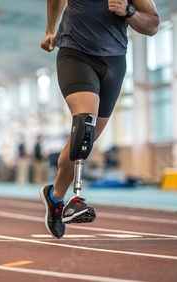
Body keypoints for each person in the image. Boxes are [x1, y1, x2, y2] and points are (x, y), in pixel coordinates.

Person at [39, 0, 160, 238]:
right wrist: (50, 29)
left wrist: (129, 12)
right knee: (85, 123)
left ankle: (54, 197)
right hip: (75, 54)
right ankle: (76, 198)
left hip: (114, 61)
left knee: (84, 142)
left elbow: (153, 25)